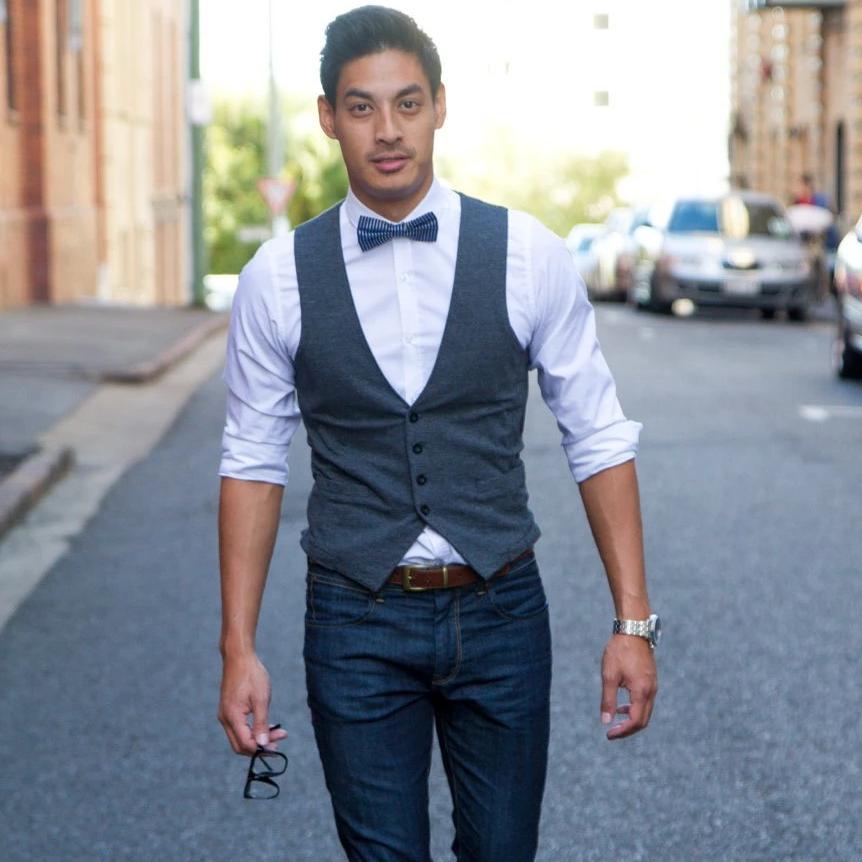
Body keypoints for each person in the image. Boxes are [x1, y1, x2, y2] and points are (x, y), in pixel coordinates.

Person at [216, 6, 659, 861]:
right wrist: (238, 649)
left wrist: (633, 625)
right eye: (361, 107)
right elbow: (252, 459)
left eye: (407, 103)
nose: (387, 130)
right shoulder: (277, 279)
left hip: (501, 612)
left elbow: (598, 435)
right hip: (355, 618)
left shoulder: (528, 255)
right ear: (328, 118)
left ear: (441, 106)